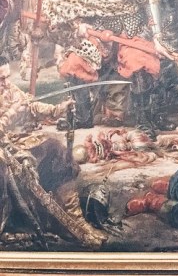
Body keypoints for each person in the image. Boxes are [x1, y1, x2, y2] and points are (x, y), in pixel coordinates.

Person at [42, 0, 171, 131]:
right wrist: (79, 25)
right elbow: (64, 6)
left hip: (131, 30)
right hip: (100, 33)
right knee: (74, 63)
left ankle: (144, 120)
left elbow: (150, 1)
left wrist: (157, 36)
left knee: (139, 62)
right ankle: (82, 117)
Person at [0, 56, 106, 247]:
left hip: (21, 143)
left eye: (7, 77)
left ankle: (76, 222)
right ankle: (59, 224)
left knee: (57, 150)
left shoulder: (10, 90)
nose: (6, 83)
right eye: (1, 79)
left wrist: (57, 109)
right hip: (4, 150)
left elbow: (31, 106)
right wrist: (11, 114)